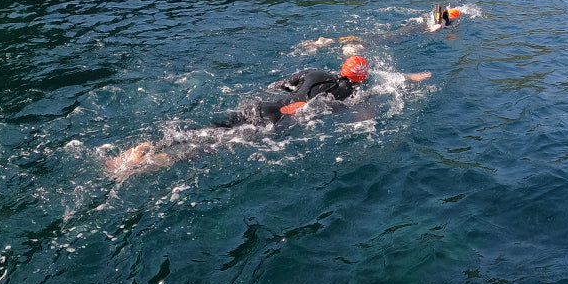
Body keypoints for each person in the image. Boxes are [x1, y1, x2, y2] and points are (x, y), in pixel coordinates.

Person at [104, 56, 431, 178]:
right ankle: (155, 164)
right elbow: (364, 111)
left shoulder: (315, 71)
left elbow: (281, 84)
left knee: (213, 128)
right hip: (279, 119)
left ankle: (151, 145)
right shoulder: (353, 94)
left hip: (265, 104)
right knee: (219, 144)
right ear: (361, 78)